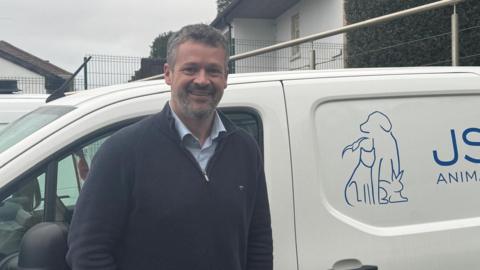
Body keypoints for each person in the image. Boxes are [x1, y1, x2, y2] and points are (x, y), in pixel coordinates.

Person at [66, 23, 273, 270]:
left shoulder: (245, 149)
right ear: (168, 74)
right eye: (190, 69)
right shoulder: (122, 151)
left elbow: (258, 241)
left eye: (214, 71)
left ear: (226, 78)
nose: (202, 80)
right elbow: (87, 253)